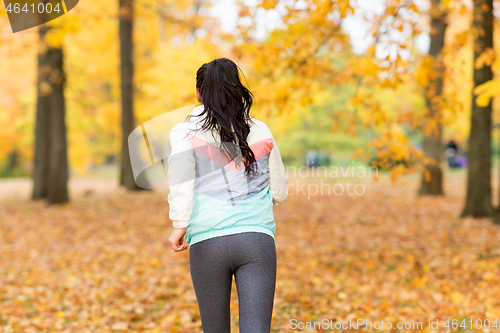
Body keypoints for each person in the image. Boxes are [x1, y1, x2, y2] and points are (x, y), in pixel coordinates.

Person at [166, 58, 289, 333]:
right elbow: (279, 191)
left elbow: (181, 183)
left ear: (199, 93)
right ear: (237, 89)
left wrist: (179, 225)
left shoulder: (184, 132)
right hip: (256, 241)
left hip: (208, 243)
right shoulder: (261, 129)